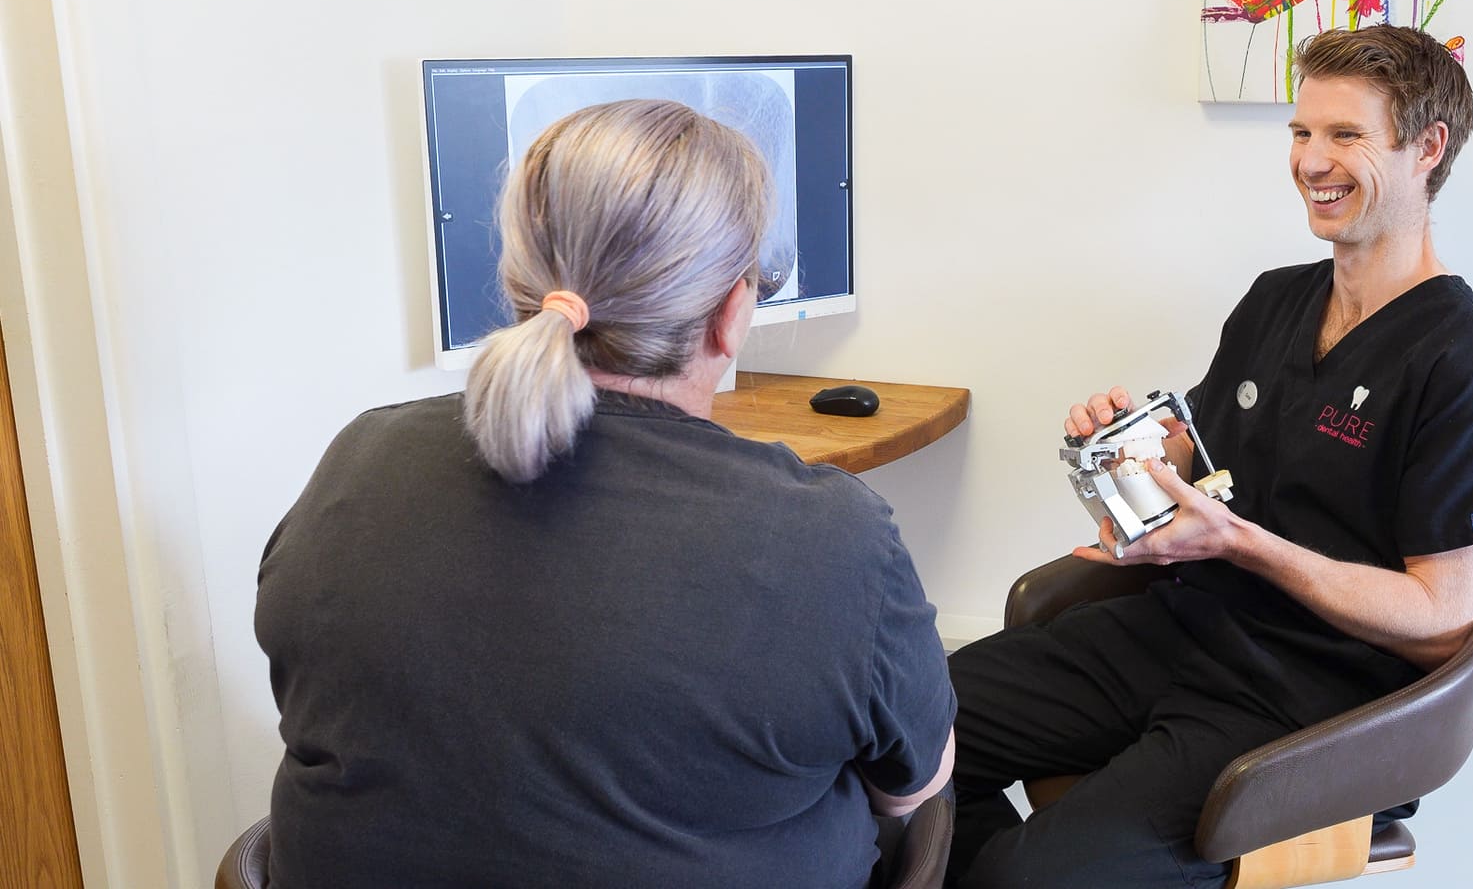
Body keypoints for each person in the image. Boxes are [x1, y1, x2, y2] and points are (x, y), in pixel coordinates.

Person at [256, 99, 955, 888]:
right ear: (730, 314)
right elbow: (911, 788)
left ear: (522, 281)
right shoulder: (831, 540)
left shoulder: (358, 461)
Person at [944, 25, 1473, 889]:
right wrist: (1126, 447)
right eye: (1302, 133)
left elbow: (1442, 615)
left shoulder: (1472, 367)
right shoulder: (1276, 301)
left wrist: (1240, 544)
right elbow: (1200, 462)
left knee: (1024, 878)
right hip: (1181, 629)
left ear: (1427, 148)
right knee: (893, 738)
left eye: (1346, 136)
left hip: (1308, 700)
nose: (1312, 161)